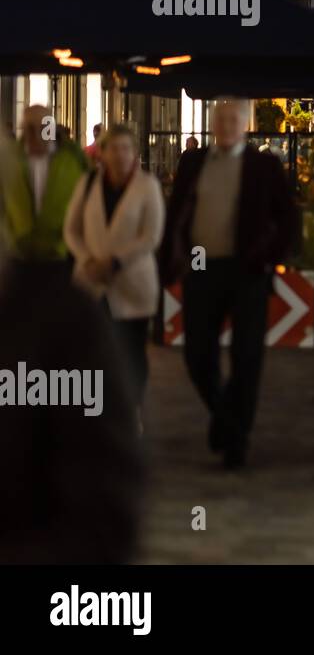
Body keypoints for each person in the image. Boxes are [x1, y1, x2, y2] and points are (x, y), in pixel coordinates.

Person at [0, 131, 145, 561]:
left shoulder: (61, 325)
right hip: (86, 274)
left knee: (133, 353)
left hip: (122, 287)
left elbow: (104, 513)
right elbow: (75, 227)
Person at [161, 98, 297, 470]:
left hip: (247, 270)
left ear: (245, 124)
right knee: (197, 355)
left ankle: (237, 439)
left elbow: (287, 218)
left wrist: (268, 259)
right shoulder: (195, 161)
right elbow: (177, 211)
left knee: (246, 356)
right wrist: (170, 259)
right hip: (201, 267)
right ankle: (226, 417)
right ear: (212, 123)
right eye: (220, 118)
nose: (226, 124)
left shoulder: (264, 165)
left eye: (233, 119)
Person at [63, 124, 165, 409]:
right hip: (92, 281)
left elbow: (152, 235)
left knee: (132, 352)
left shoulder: (148, 186)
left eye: (126, 149)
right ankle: (97, 412)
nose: (120, 155)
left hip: (133, 284)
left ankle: (130, 412)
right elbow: (71, 230)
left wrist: (116, 260)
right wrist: (87, 260)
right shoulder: (86, 184)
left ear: (134, 153)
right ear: (102, 153)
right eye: (114, 148)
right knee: (92, 352)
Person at [1, 104, 88, 263]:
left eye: (41, 127)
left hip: (61, 254)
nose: (34, 134)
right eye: (29, 128)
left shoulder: (72, 160)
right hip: (19, 254)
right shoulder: (11, 160)